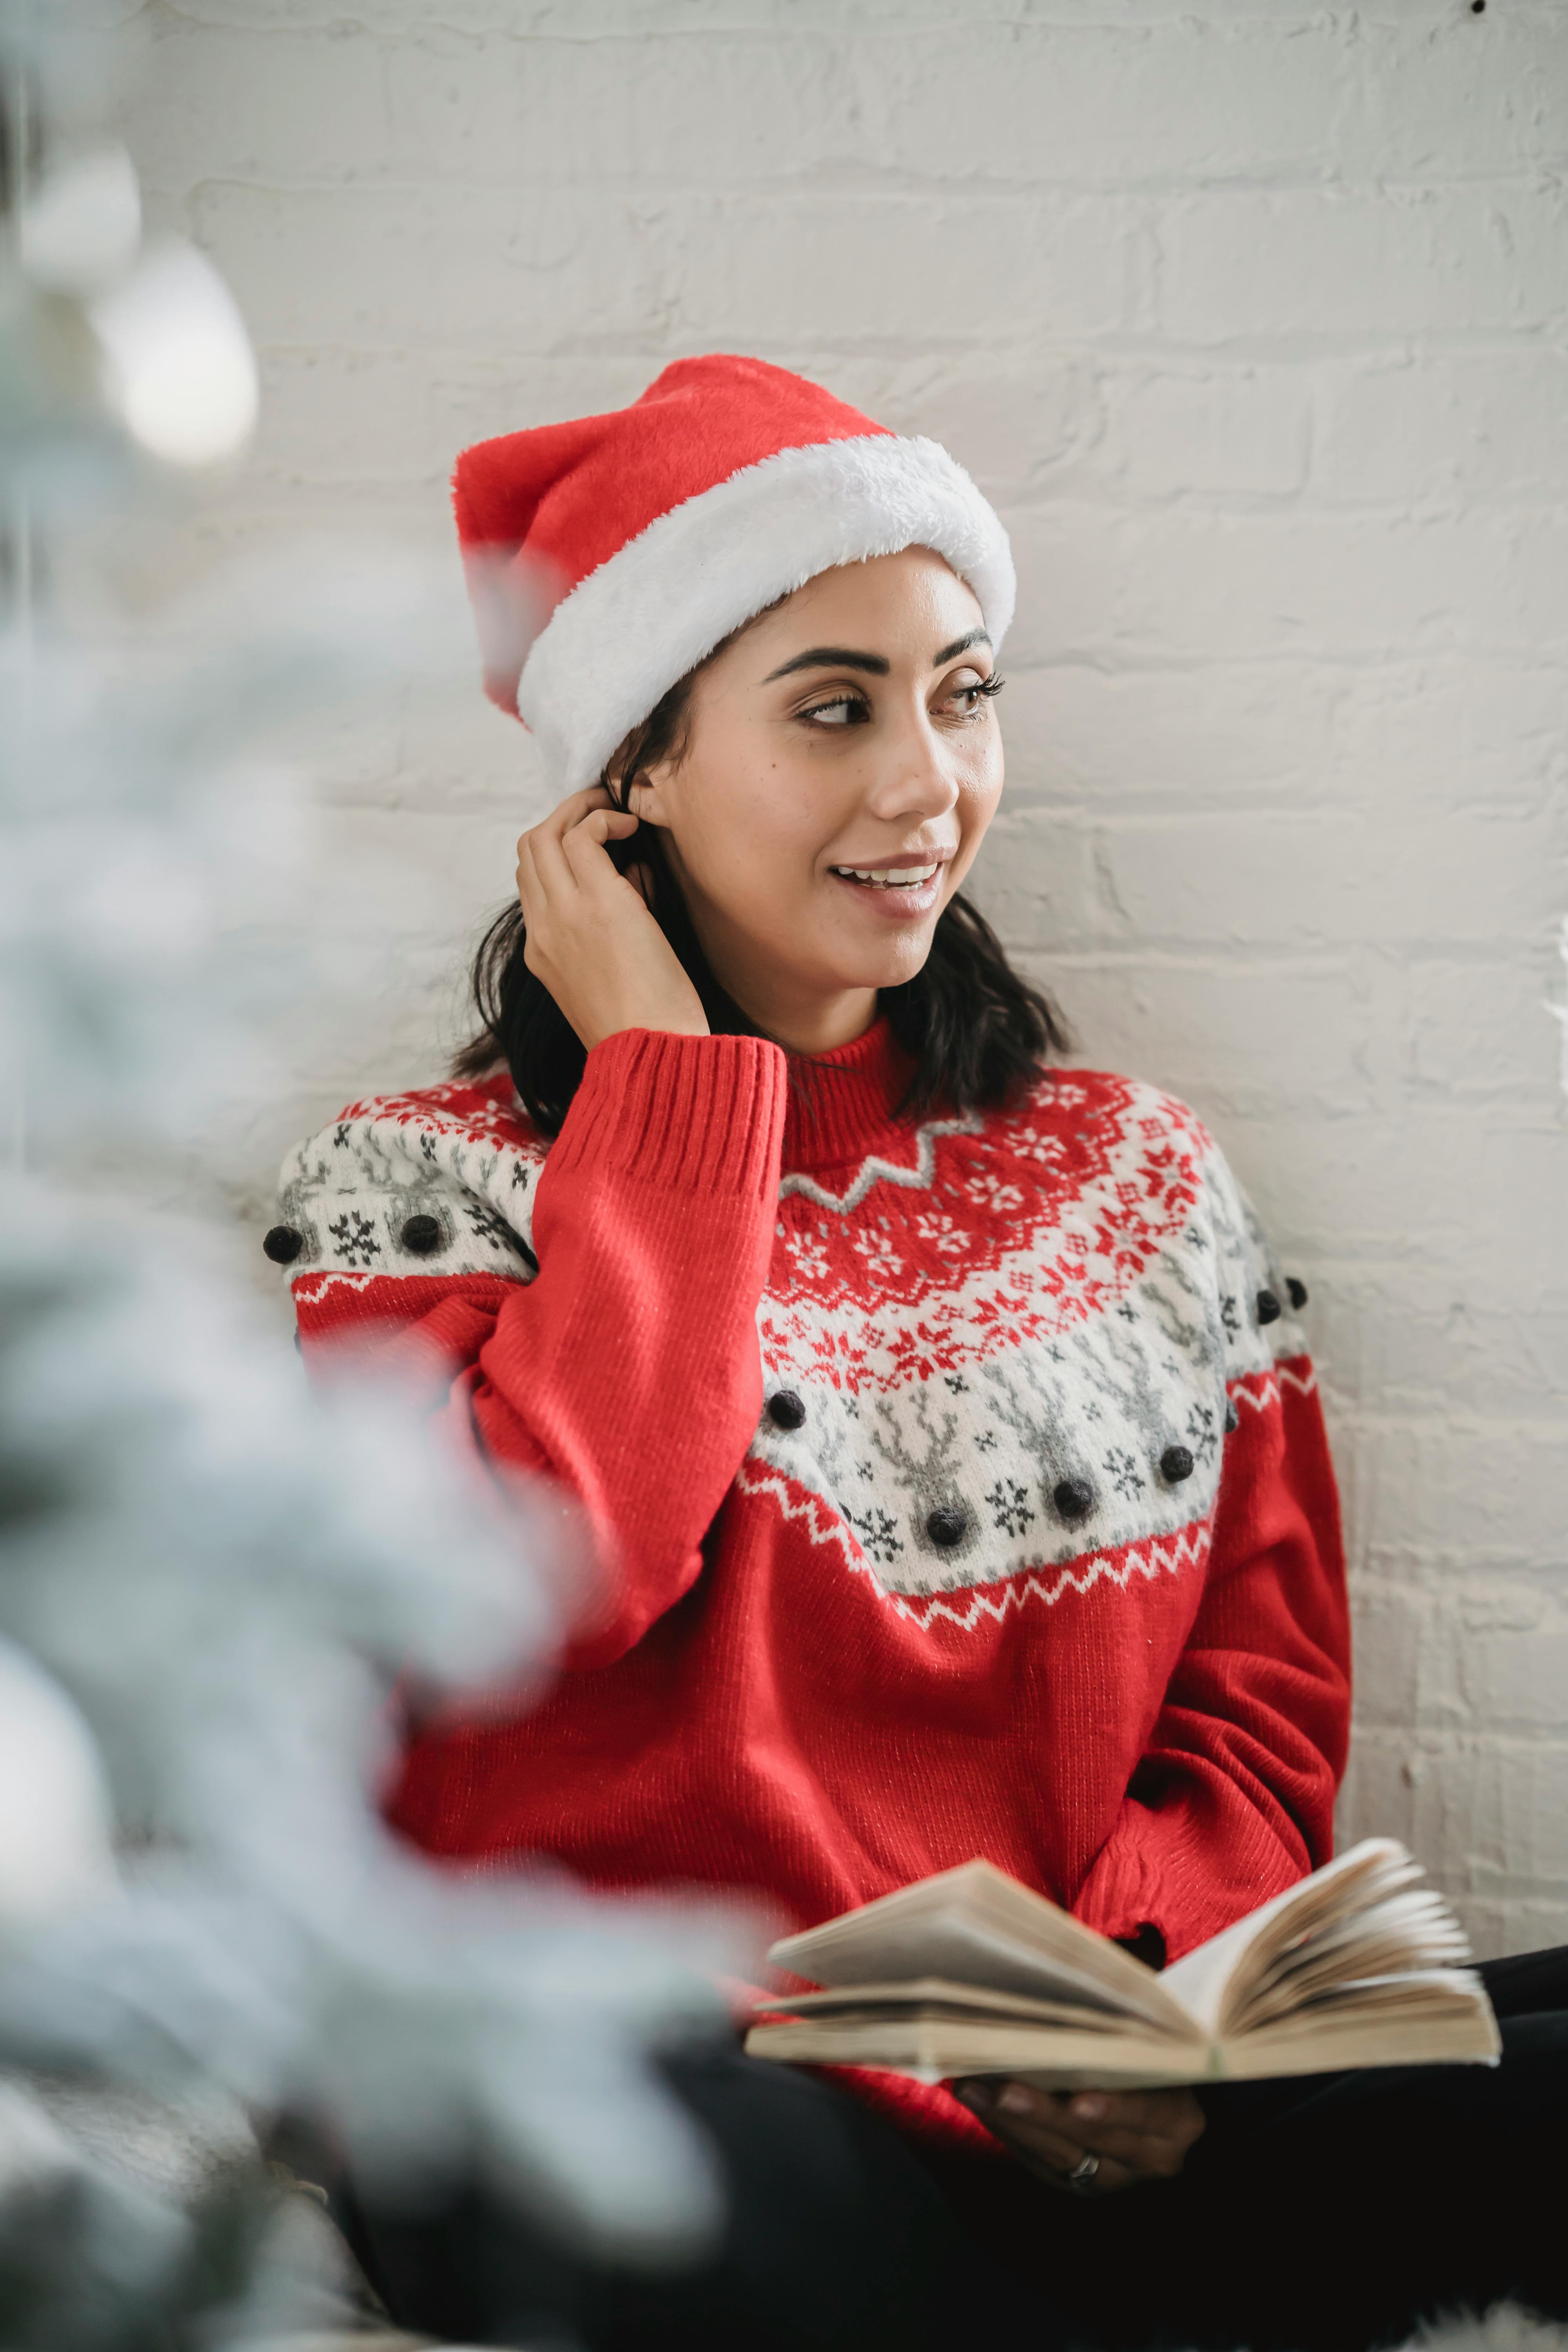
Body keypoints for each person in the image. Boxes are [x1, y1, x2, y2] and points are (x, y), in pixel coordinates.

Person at [269, 357, 1567, 2352]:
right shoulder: (411, 1197)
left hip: (1068, 2089)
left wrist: (1134, 1994)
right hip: (651, 2094)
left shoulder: (1131, 1173)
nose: (923, 786)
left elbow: (1256, 1694)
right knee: (596, 2161)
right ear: (629, 785)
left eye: (961, 692)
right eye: (829, 709)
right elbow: (547, 1585)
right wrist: (666, 1096)